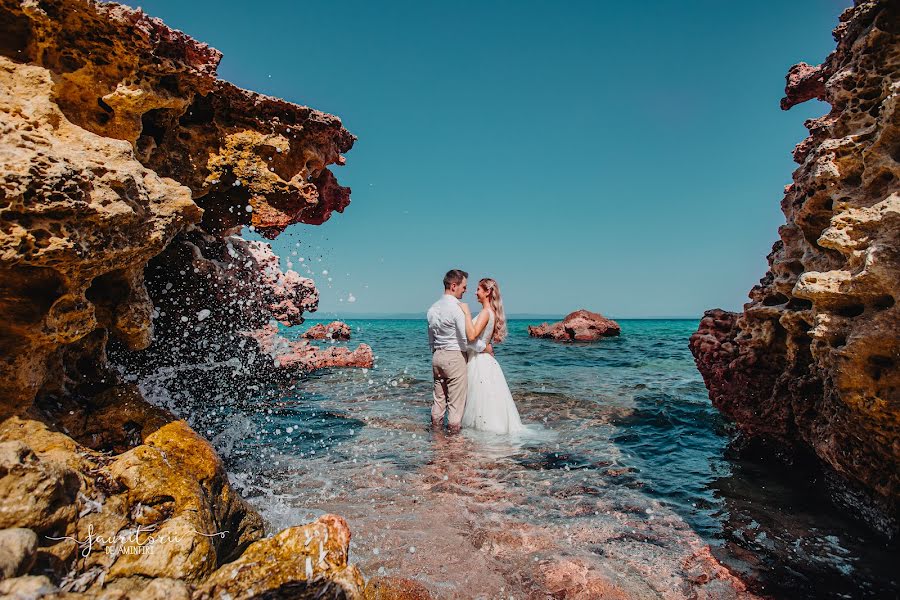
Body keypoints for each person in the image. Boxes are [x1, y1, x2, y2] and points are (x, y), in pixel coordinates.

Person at [459, 278, 524, 434]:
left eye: (478, 290)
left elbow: (472, 337)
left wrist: (466, 315)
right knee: (489, 398)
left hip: (479, 361)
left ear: (487, 292)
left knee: (481, 399)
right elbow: (482, 341)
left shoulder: (485, 313)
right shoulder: (492, 313)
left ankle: (481, 432)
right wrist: (485, 347)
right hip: (486, 360)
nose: (475, 292)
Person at [426, 269, 475, 434]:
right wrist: (484, 348)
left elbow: (431, 338)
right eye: (464, 286)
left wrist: (436, 353)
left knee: (438, 401)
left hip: (437, 356)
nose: (466, 290)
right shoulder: (457, 308)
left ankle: (436, 439)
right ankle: (453, 445)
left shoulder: (432, 308)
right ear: (454, 286)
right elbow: (467, 338)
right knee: (455, 405)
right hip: (454, 357)